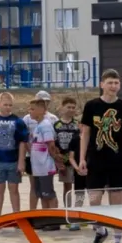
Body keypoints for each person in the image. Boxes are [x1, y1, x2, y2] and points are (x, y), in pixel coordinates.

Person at [78, 71, 122, 243]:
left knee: (116, 203)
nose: (113, 86)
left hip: (118, 161)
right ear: (102, 84)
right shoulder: (92, 106)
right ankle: (100, 231)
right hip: (96, 160)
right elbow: (85, 133)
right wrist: (82, 158)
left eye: (116, 83)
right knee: (94, 200)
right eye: (110, 82)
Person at [0, 91, 29, 217]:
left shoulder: (18, 121)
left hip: (13, 161)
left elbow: (22, 142)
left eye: (10, 105)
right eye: (5, 104)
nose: (7, 107)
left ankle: (16, 215)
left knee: (14, 189)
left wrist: (21, 161)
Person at [24, 94, 59, 212]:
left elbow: (51, 146)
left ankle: (54, 220)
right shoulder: (38, 126)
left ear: (41, 110)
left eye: (32, 109)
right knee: (43, 194)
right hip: (38, 168)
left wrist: (58, 162)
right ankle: (46, 218)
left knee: (49, 194)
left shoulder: (46, 126)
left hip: (46, 168)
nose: (30, 111)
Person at [53, 96, 82, 225]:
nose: (70, 110)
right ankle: (68, 212)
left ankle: (80, 213)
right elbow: (53, 144)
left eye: (73, 107)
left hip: (77, 160)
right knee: (67, 187)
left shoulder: (77, 125)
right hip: (64, 161)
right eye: (68, 107)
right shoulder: (56, 125)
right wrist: (58, 161)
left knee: (80, 187)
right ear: (62, 107)